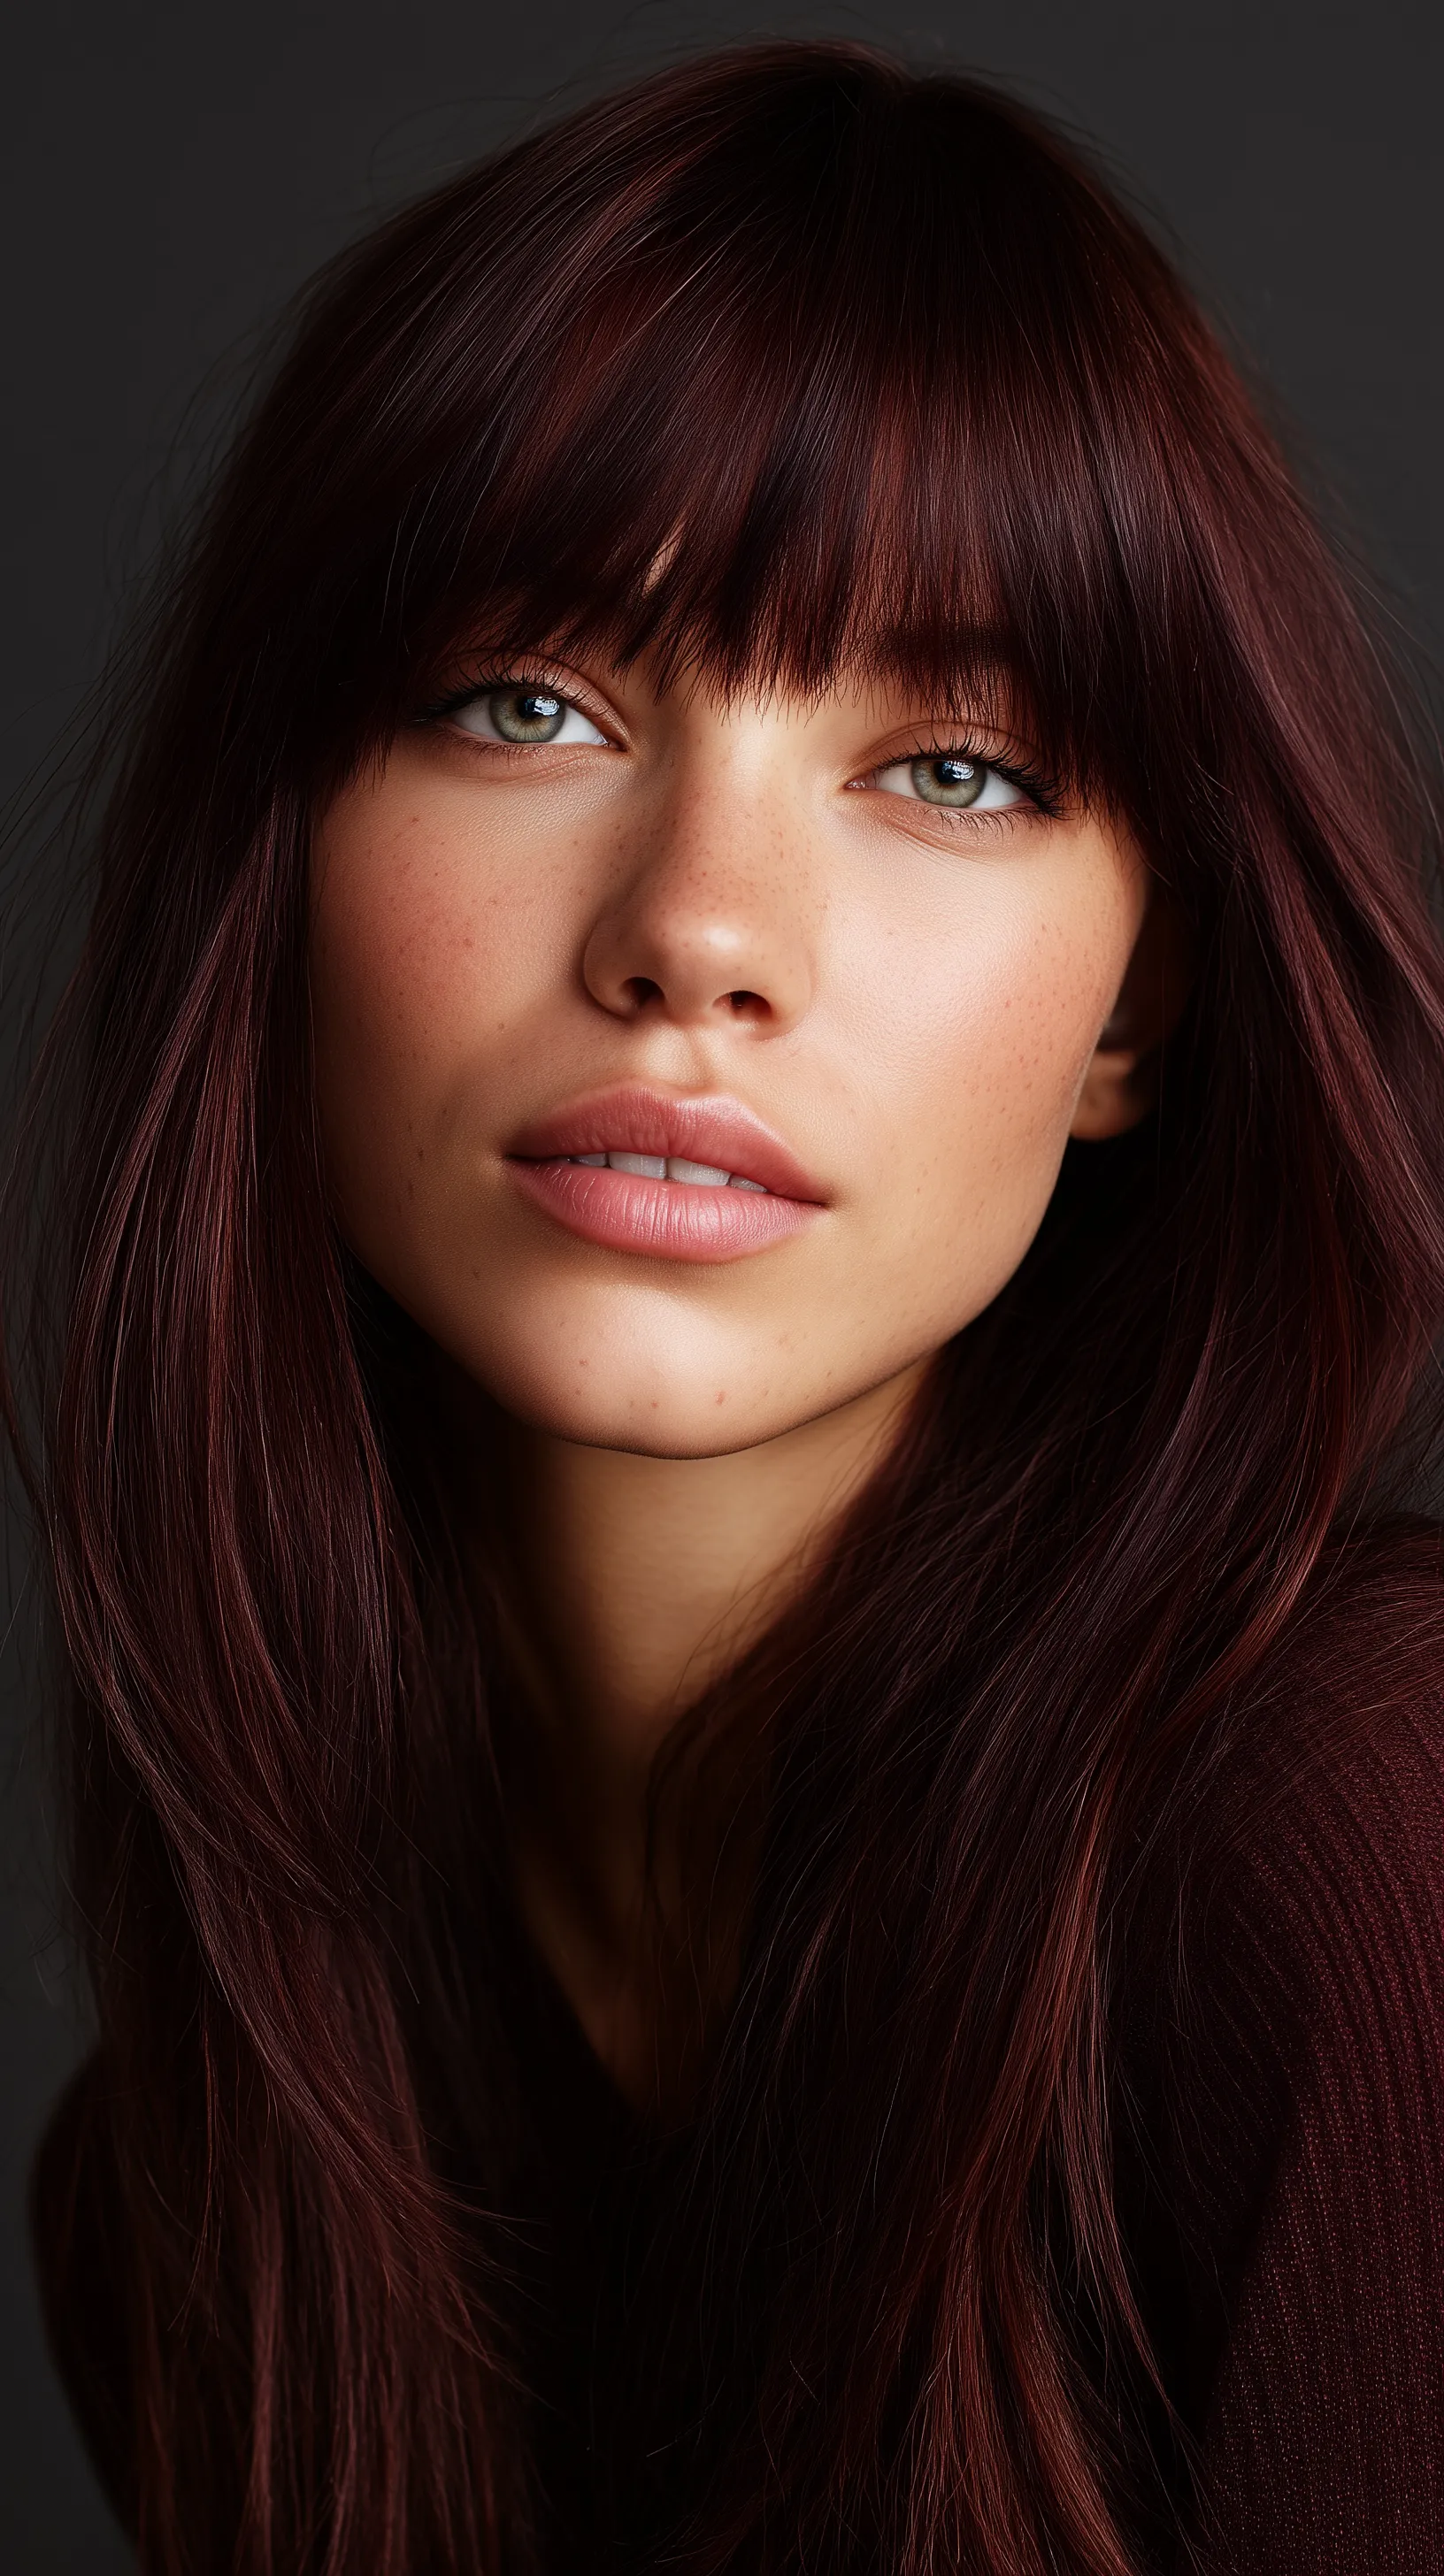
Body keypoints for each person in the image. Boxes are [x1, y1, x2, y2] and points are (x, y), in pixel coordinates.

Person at [12, 38, 1444, 2576]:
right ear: (280, 884)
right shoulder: (190, 2204)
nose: (699, 935)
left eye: (958, 768)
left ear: (1133, 1021)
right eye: (529, 702)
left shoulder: (1376, 1871)